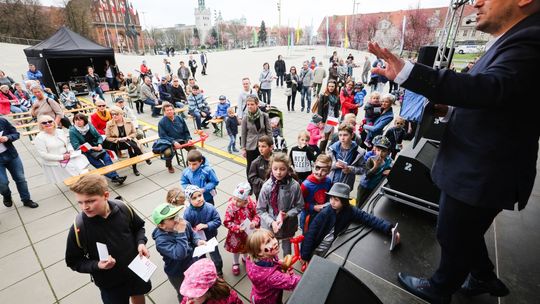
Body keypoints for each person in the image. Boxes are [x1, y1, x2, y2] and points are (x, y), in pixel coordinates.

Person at [367, 1, 540, 302]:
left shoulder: (532, 39)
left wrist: (410, 73)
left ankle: (440, 288)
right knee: (466, 231)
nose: (476, 3)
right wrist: (448, 108)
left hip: (483, 171)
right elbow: (498, 103)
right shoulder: (516, 38)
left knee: (450, 232)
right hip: (482, 166)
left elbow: (488, 89)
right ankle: (483, 275)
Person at [65, 174, 151, 304]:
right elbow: (74, 261)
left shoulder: (123, 209)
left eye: (90, 201)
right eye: (80, 202)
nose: (84, 207)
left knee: (139, 294)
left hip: (136, 271)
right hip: (110, 283)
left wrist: (140, 243)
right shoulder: (79, 227)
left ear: (106, 195)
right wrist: (97, 265)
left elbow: (138, 227)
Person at [300, 182, 398, 262]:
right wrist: (305, 256)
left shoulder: (350, 210)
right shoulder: (324, 213)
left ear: (344, 201)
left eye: (336, 199)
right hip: (318, 248)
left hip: (332, 247)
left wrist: (389, 228)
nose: (332, 202)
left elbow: (368, 218)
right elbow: (311, 234)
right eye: (331, 198)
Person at [152, 203, 205, 302]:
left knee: (196, 286)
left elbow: (192, 234)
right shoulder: (161, 242)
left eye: (177, 214)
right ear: (162, 225)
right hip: (177, 272)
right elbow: (180, 254)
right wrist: (181, 233)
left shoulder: (182, 223)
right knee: (184, 293)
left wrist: (197, 240)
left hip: (192, 263)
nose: (177, 219)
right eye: (172, 218)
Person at [256, 153, 303, 255]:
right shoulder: (267, 187)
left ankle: (286, 268)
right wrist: (272, 222)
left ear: (288, 169)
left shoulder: (294, 186)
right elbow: (260, 209)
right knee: (271, 250)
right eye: (275, 169)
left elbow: (299, 205)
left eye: (282, 169)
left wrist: (288, 215)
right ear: (271, 168)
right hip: (270, 227)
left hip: (287, 226)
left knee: (287, 249)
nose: (278, 172)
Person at [245, 229, 301, 304]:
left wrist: (278, 263)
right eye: (268, 242)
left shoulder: (253, 258)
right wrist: (290, 275)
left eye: (273, 237)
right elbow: (295, 282)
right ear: (259, 252)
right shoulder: (272, 277)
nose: (275, 241)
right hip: (270, 300)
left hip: (258, 294)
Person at [69, 113, 127, 185]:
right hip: (86, 151)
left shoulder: (89, 126)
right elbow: (76, 146)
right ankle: (115, 177)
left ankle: (115, 177)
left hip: (98, 148)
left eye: (80, 120)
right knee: (99, 165)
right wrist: (92, 148)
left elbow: (99, 137)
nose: (78, 122)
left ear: (84, 121)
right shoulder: (72, 131)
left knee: (107, 159)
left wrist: (99, 144)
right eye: (76, 120)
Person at [34, 115, 89, 183]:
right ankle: (81, 183)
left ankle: (84, 181)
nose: (48, 123)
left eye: (50, 121)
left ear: (54, 122)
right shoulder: (39, 138)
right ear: (41, 125)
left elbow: (68, 143)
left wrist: (70, 150)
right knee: (72, 168)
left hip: (67, 156)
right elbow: (43, 155)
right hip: (56, 160)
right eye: (44, 123)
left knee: (81, 159)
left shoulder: (59, 131)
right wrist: (62, 157)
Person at [183, 185, 223, 276]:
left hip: (211, 236)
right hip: (198, 240)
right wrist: (192, 230)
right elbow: (186, 228)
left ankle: (219, 271)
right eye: (194, 198)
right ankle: (206, 273)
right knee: (201, 258)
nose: (198, 199)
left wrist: (206, 225)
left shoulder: (210, 207)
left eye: (200, 195)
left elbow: (218, 221)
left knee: (215, 256)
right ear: (189, 200)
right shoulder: (188, 213)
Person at [0, 117, 39, 208]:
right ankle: (6, 195)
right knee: (3, 184)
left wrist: (7, 138)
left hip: (11, 155)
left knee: (20, 179)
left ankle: (26, 200)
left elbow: (16, 134)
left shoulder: (2, 121)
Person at [224, 182, 260, 276]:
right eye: (234, 199)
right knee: (236, 249)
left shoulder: (251, 204)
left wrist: (254, 222)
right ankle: (235, 262)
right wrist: (237, 227)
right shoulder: (231, 207)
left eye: (238, 200)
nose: (235, 202)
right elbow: (227, 222)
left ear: (245, 200)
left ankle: (245, 258)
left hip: (247, 233)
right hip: (236, 234)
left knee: (246, 248)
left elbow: (257, 214)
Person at [105, 106, 150, 176]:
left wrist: (128, 137)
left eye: (116, 114)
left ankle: (135, 168)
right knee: (132, 146)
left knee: (131, 148)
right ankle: (143, 157)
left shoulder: (128, 121)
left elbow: (134, 133)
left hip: (129, 141)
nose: (114, 116)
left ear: (121, 114)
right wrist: (118, 139)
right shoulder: (109, 124)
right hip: (118, 143)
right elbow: (107, 137)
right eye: (112, 114)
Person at [356, 135, 393, 206]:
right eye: (378, 150)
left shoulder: (388, 160)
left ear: (388, 152)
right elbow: (367, 175)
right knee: (360, 204)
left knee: (369, 204)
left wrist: (390, 172)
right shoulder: (370, 158)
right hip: (365, 186)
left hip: (375, 186)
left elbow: (392, 168)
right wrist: (375, 166)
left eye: (384, 151)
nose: (380, 153)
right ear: (375, 149)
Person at [328, 124, 366, 190]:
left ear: (352, 135)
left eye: (345, 135)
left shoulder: (359, 152)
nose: (342, 138)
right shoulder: (332, 149)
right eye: (340, 135)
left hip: (346, 184)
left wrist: (350, 169)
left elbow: (363, 169)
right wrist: (334, 165)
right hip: (331, 182)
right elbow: (326, 165)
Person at [157, 102, 192, 173]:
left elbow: (186, 131)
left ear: (173, 110)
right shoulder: (161, 122)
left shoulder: (180, 118)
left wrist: (188, 139)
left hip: (182, 139)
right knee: (167, 153)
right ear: (164, 112)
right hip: (169, 142)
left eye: (170, 109)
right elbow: (163, 136)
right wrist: (173, 142)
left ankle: (188, 163)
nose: (169, 111)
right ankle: (169, 165)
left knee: (193, 148)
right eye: (167, 110)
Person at [300, 154, 332, 232]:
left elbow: (328, 197)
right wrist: (313, 207)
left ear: (329, 171)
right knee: (307, 237)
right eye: (317, 168)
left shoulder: (328, 181)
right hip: (308, 218)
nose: (319, 172)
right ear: (313, 166)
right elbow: (299, 203)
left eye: (324, 170)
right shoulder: (305, 185)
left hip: (321, 215)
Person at [241, 96, 271, 177]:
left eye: (252, 104)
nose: (249, 106)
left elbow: (269, 131)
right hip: (251, 146)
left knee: (264, 166)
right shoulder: (245, 118)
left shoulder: (264, 116)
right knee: (250, 167)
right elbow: (243, 134)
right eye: (248, 104)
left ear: (257, 104)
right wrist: (243, 148)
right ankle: (251, 183)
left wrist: (271, 144)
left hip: (263, 146)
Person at [317, 80, 340, 153]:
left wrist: (337, 116)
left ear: (335, 87)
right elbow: (320, 109)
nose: (331, 88)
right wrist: (321, 121)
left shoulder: (336, 96)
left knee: (330, 134)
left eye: (332, 86)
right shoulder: (324, 95)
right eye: (329, 86)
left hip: (333, 117)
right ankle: (320, 152)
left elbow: (337, 107)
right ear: (327, 86)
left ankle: (324, 151)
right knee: (324, 136)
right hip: (325, 118)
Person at [248, 135, 273, 200]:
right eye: (259, 146)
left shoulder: (276, 160)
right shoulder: (255, 162)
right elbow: (252, 177)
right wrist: (263, 183)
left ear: (271, 147)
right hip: (261, 193)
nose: (260, 149)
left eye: (263, 146)